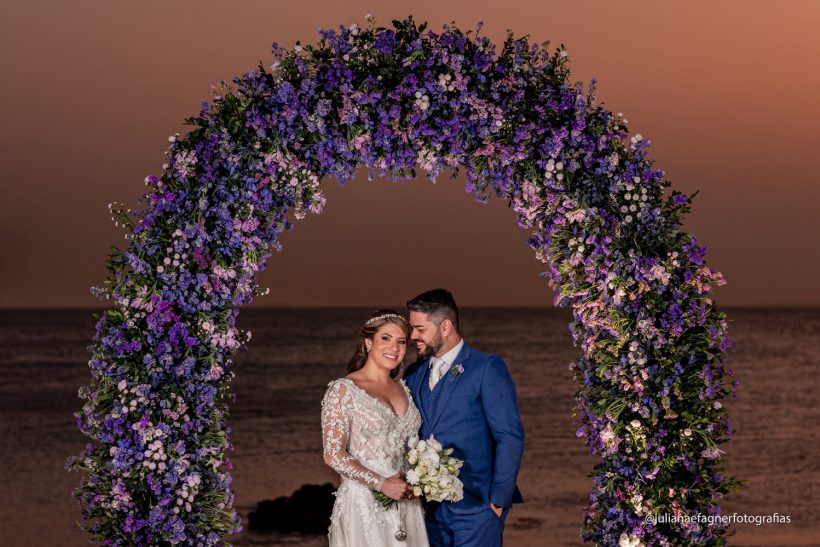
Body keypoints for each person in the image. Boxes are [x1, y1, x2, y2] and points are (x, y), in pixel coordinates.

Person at [403, 289, 525, 547]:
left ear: (445, 326)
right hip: (430, 511)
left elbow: (509, 437)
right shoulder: (413, 374)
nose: (412, 336)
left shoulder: (486, 368)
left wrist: (498, 500)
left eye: (419, 329)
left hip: (478, 507)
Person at [321, 309, 430, 546]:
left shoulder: (405, 388)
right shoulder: (343, 390)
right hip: (365, 504)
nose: (394, 348)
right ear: (368, 342)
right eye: (386, 338)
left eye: (401, 342)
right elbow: (333, 454)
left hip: (407, 503)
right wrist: (382, 484)